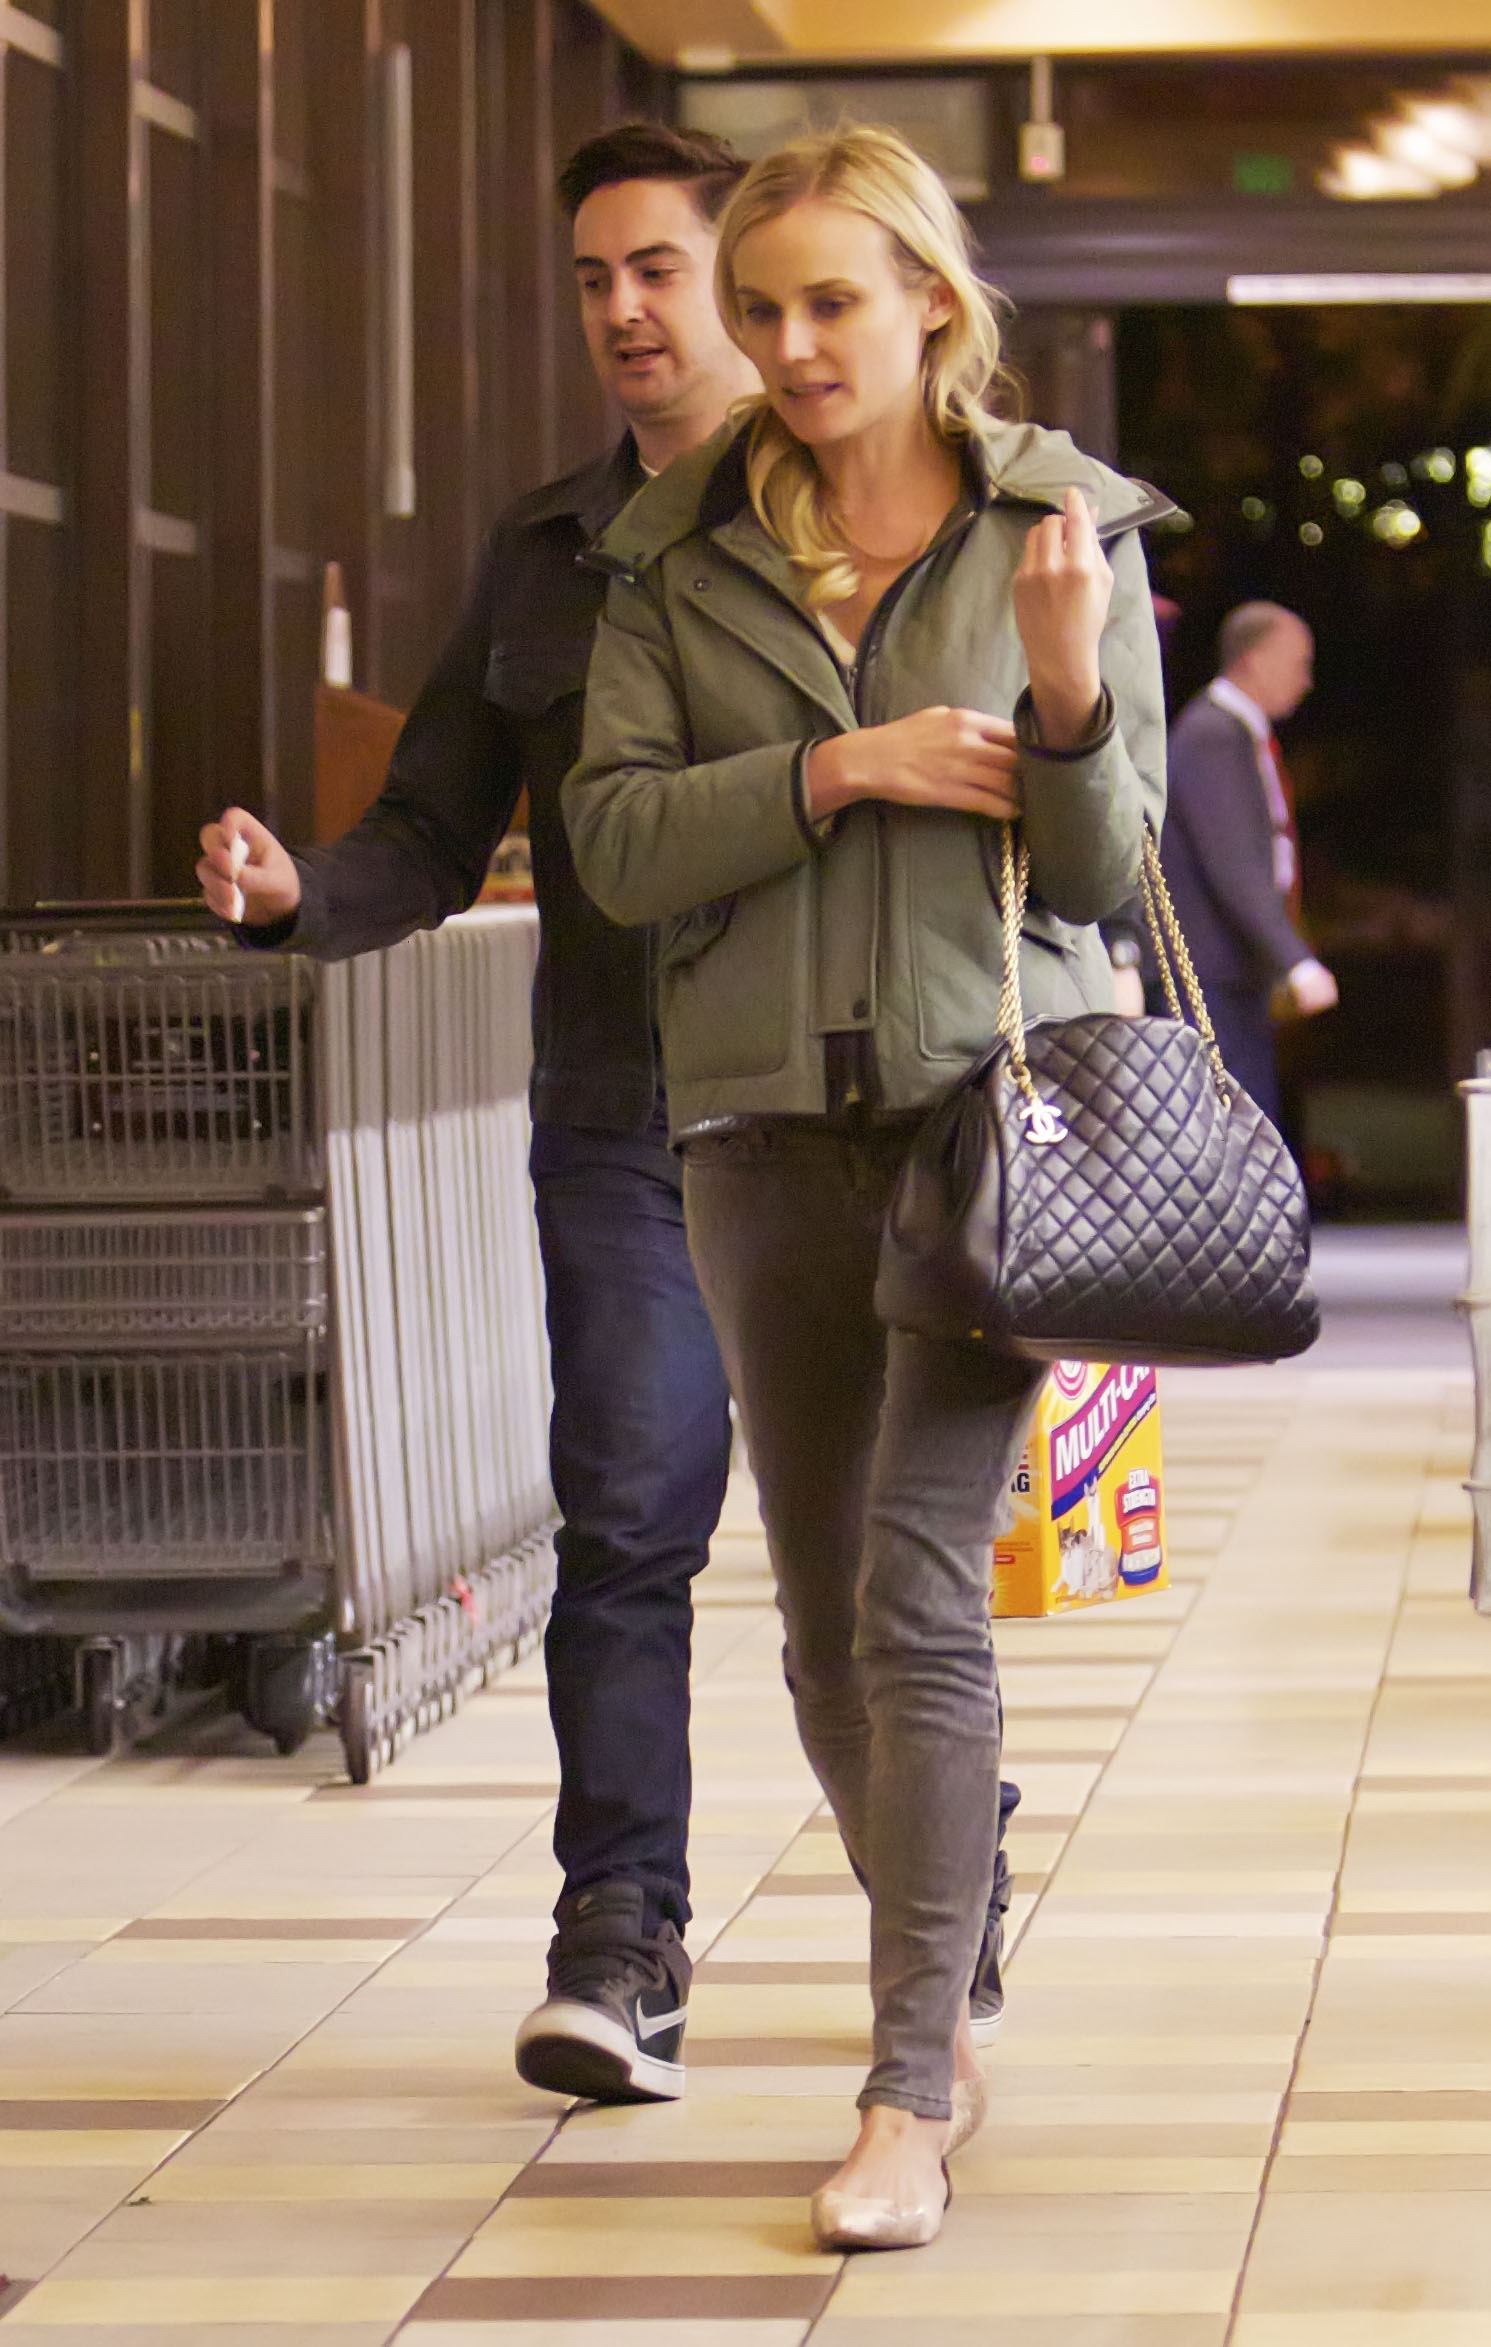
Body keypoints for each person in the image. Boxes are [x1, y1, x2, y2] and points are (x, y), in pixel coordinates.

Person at [194, 120, 1021, 2109]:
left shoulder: (925, 516)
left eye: (664, 272)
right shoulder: (557, 553)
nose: (629, 313)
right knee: (632, 1517)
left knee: (868, 1580)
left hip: (871, 1108)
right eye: (597, 280)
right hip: (633, 1118)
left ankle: (940, 1866)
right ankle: (620, 1941)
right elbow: (429, 825)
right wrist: (299, 897)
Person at [563, 125, 1166, 2248]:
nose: (792, 342)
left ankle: (907, 2087)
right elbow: (614, 843)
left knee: (915, 1589)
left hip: (987, 1129)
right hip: (754, 1134)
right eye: (764, 306)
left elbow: (1100, 873)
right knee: (822, 1631)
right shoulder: (673, 555)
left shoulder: (1062, 530)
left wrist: (1065, 687)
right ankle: (949, 1922)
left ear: (929, 296)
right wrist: (841, 767)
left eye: (831, 298)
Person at [1161, 602, 1337, 1122]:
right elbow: (1233, 862)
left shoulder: (1236, 732)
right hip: (1209, 976)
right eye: (1298, 663)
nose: (1305, 681)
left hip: (1234, 975)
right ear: (1256, 660)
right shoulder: (1211, 735)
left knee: (1246, 1124)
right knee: (1230, 1130)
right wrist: (1294, 959)